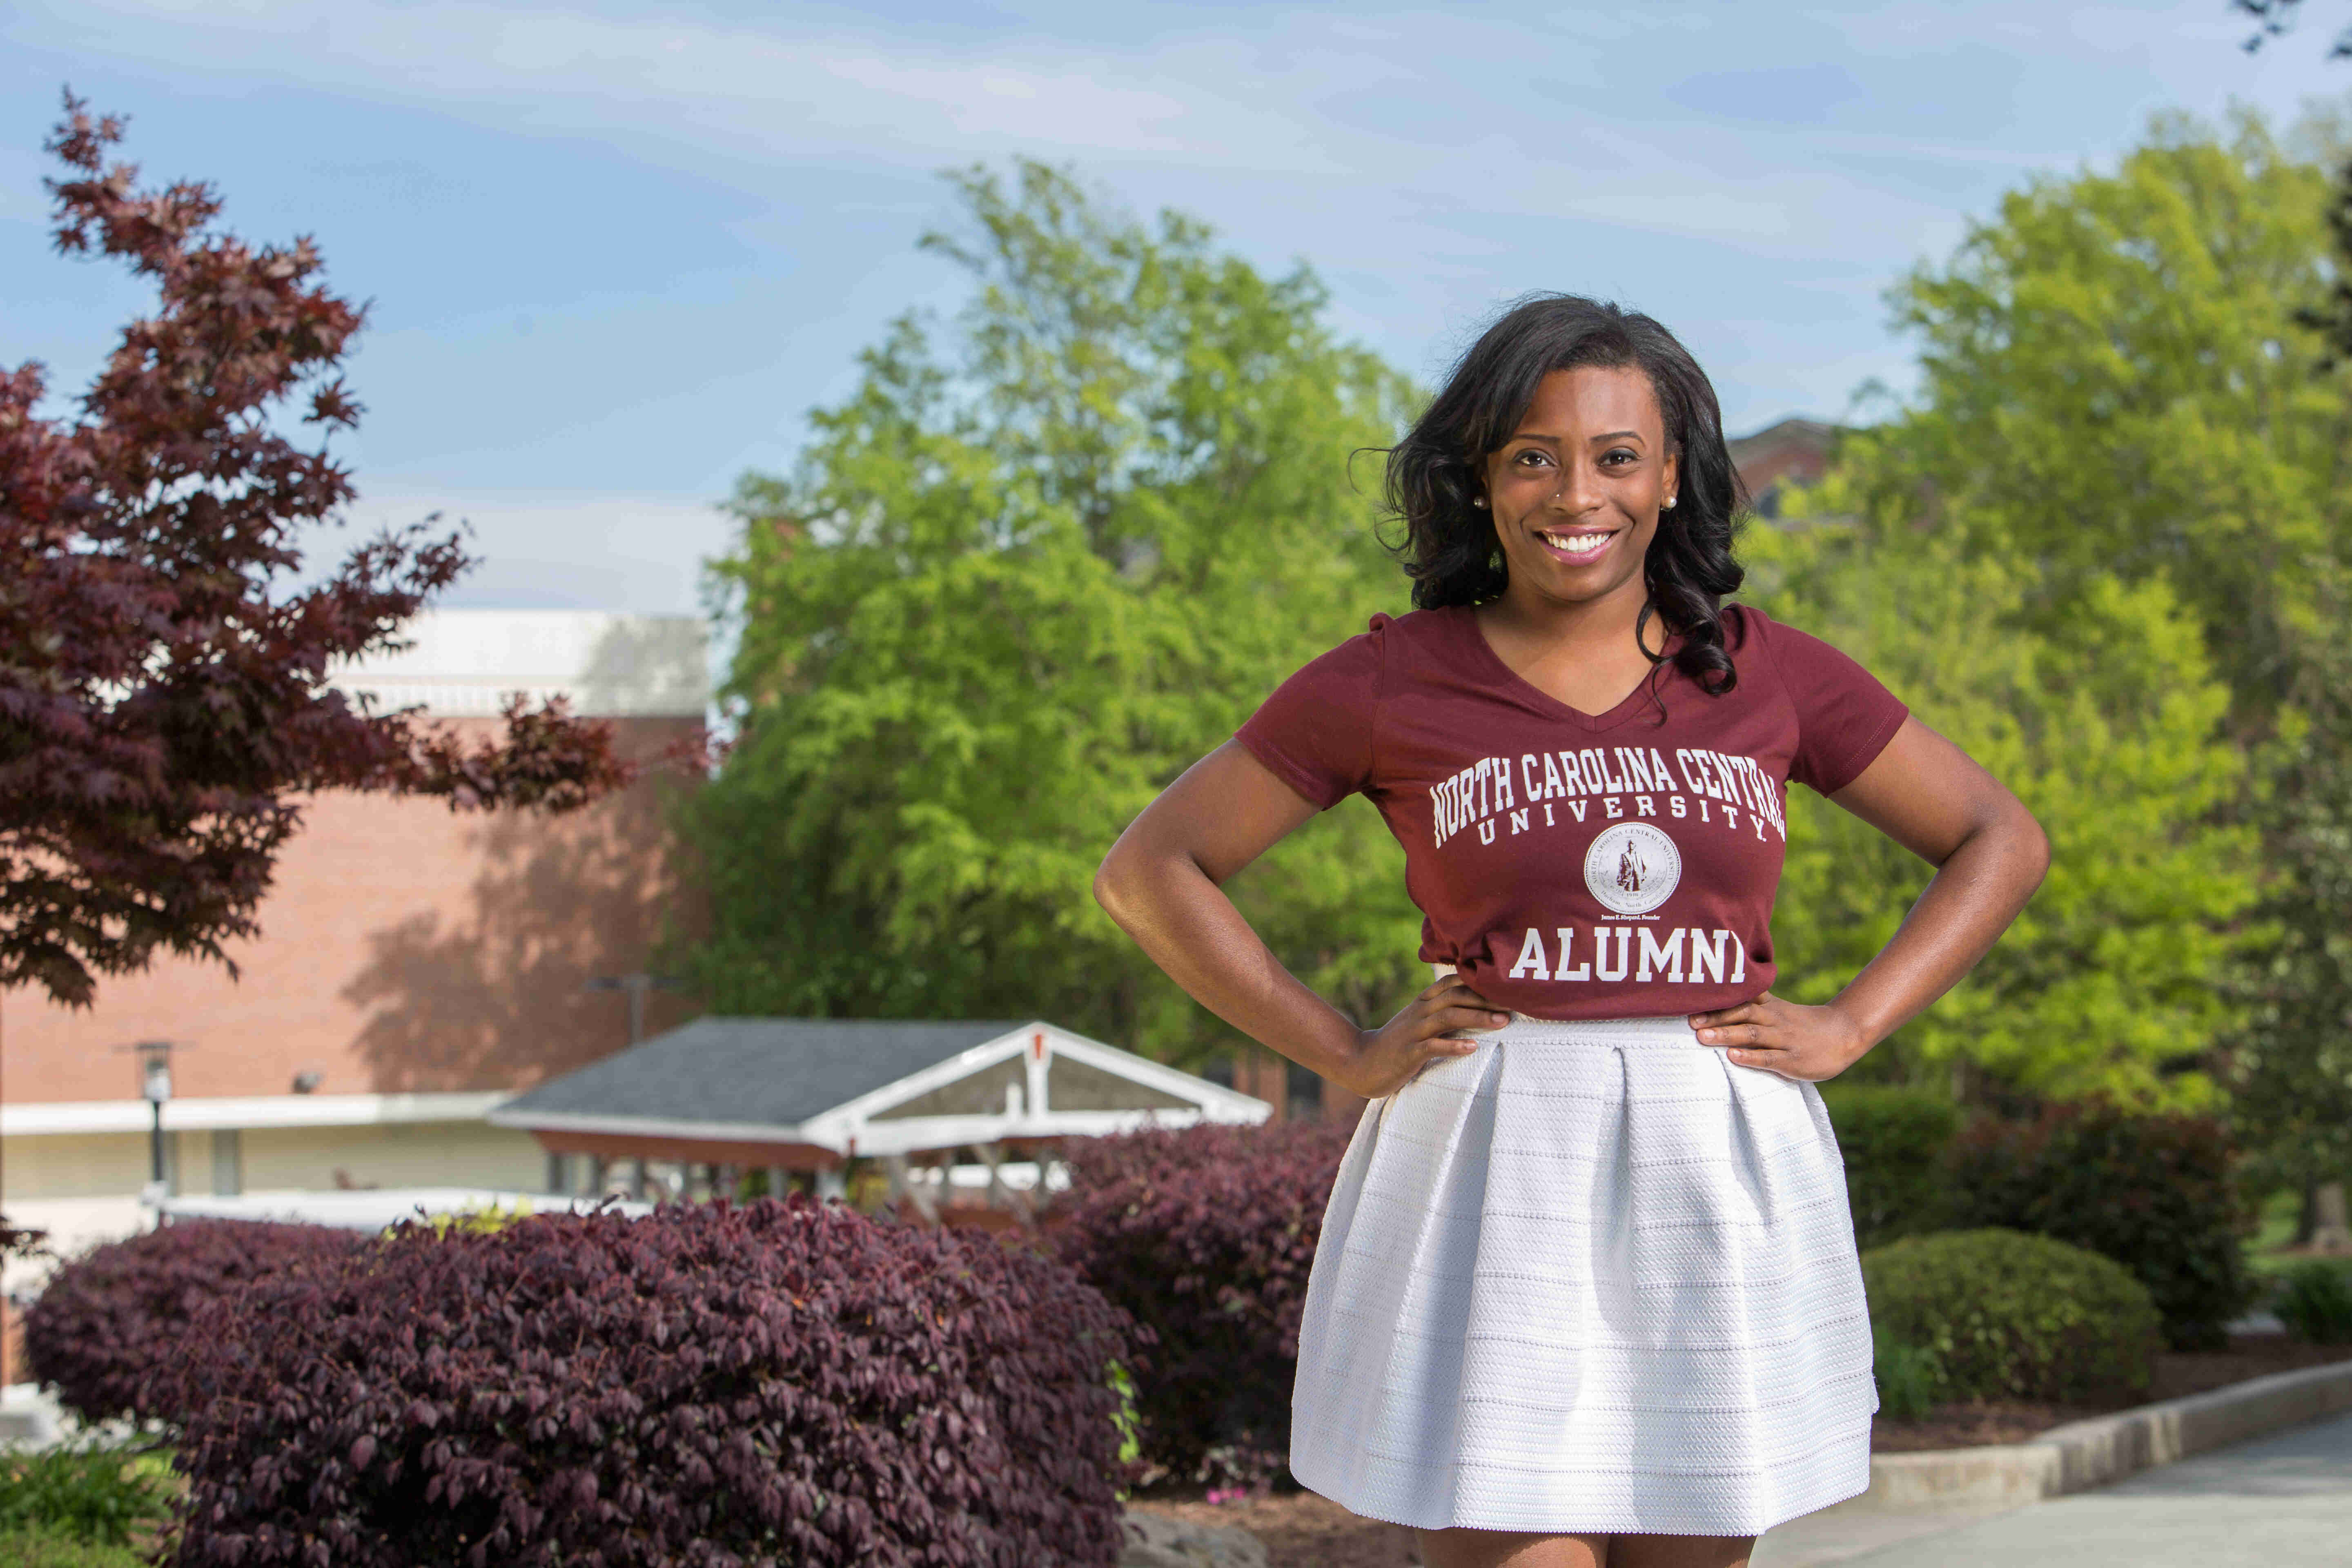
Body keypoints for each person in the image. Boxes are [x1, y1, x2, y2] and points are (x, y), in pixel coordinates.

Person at [1092, 294, 2049, 1568]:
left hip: (1710, 1152)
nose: (1572, 492)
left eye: (1614, 456)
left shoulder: (1763, 671)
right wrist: (1341, 1049)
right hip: (1496, 1155)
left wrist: (1854, 1021)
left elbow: (1999, 835)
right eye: (1532, 456)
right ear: (1480, 481)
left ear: (1668, 479)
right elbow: (1152, 870)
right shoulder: (1395, 678)